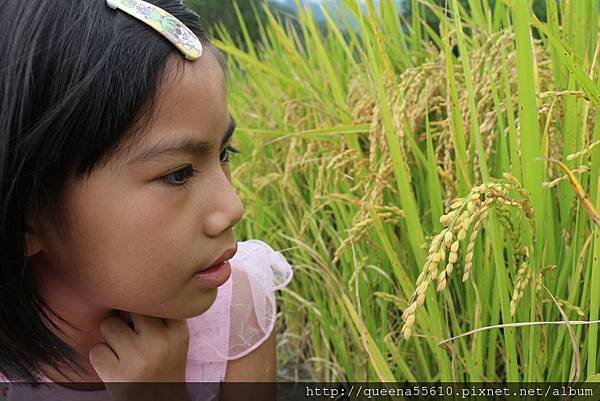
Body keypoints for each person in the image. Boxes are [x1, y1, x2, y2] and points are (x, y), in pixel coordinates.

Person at [0, 0, 293, 400]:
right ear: (25, 219)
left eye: (224, 154)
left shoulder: (236, 312)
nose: (232, 208)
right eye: (177, 174)